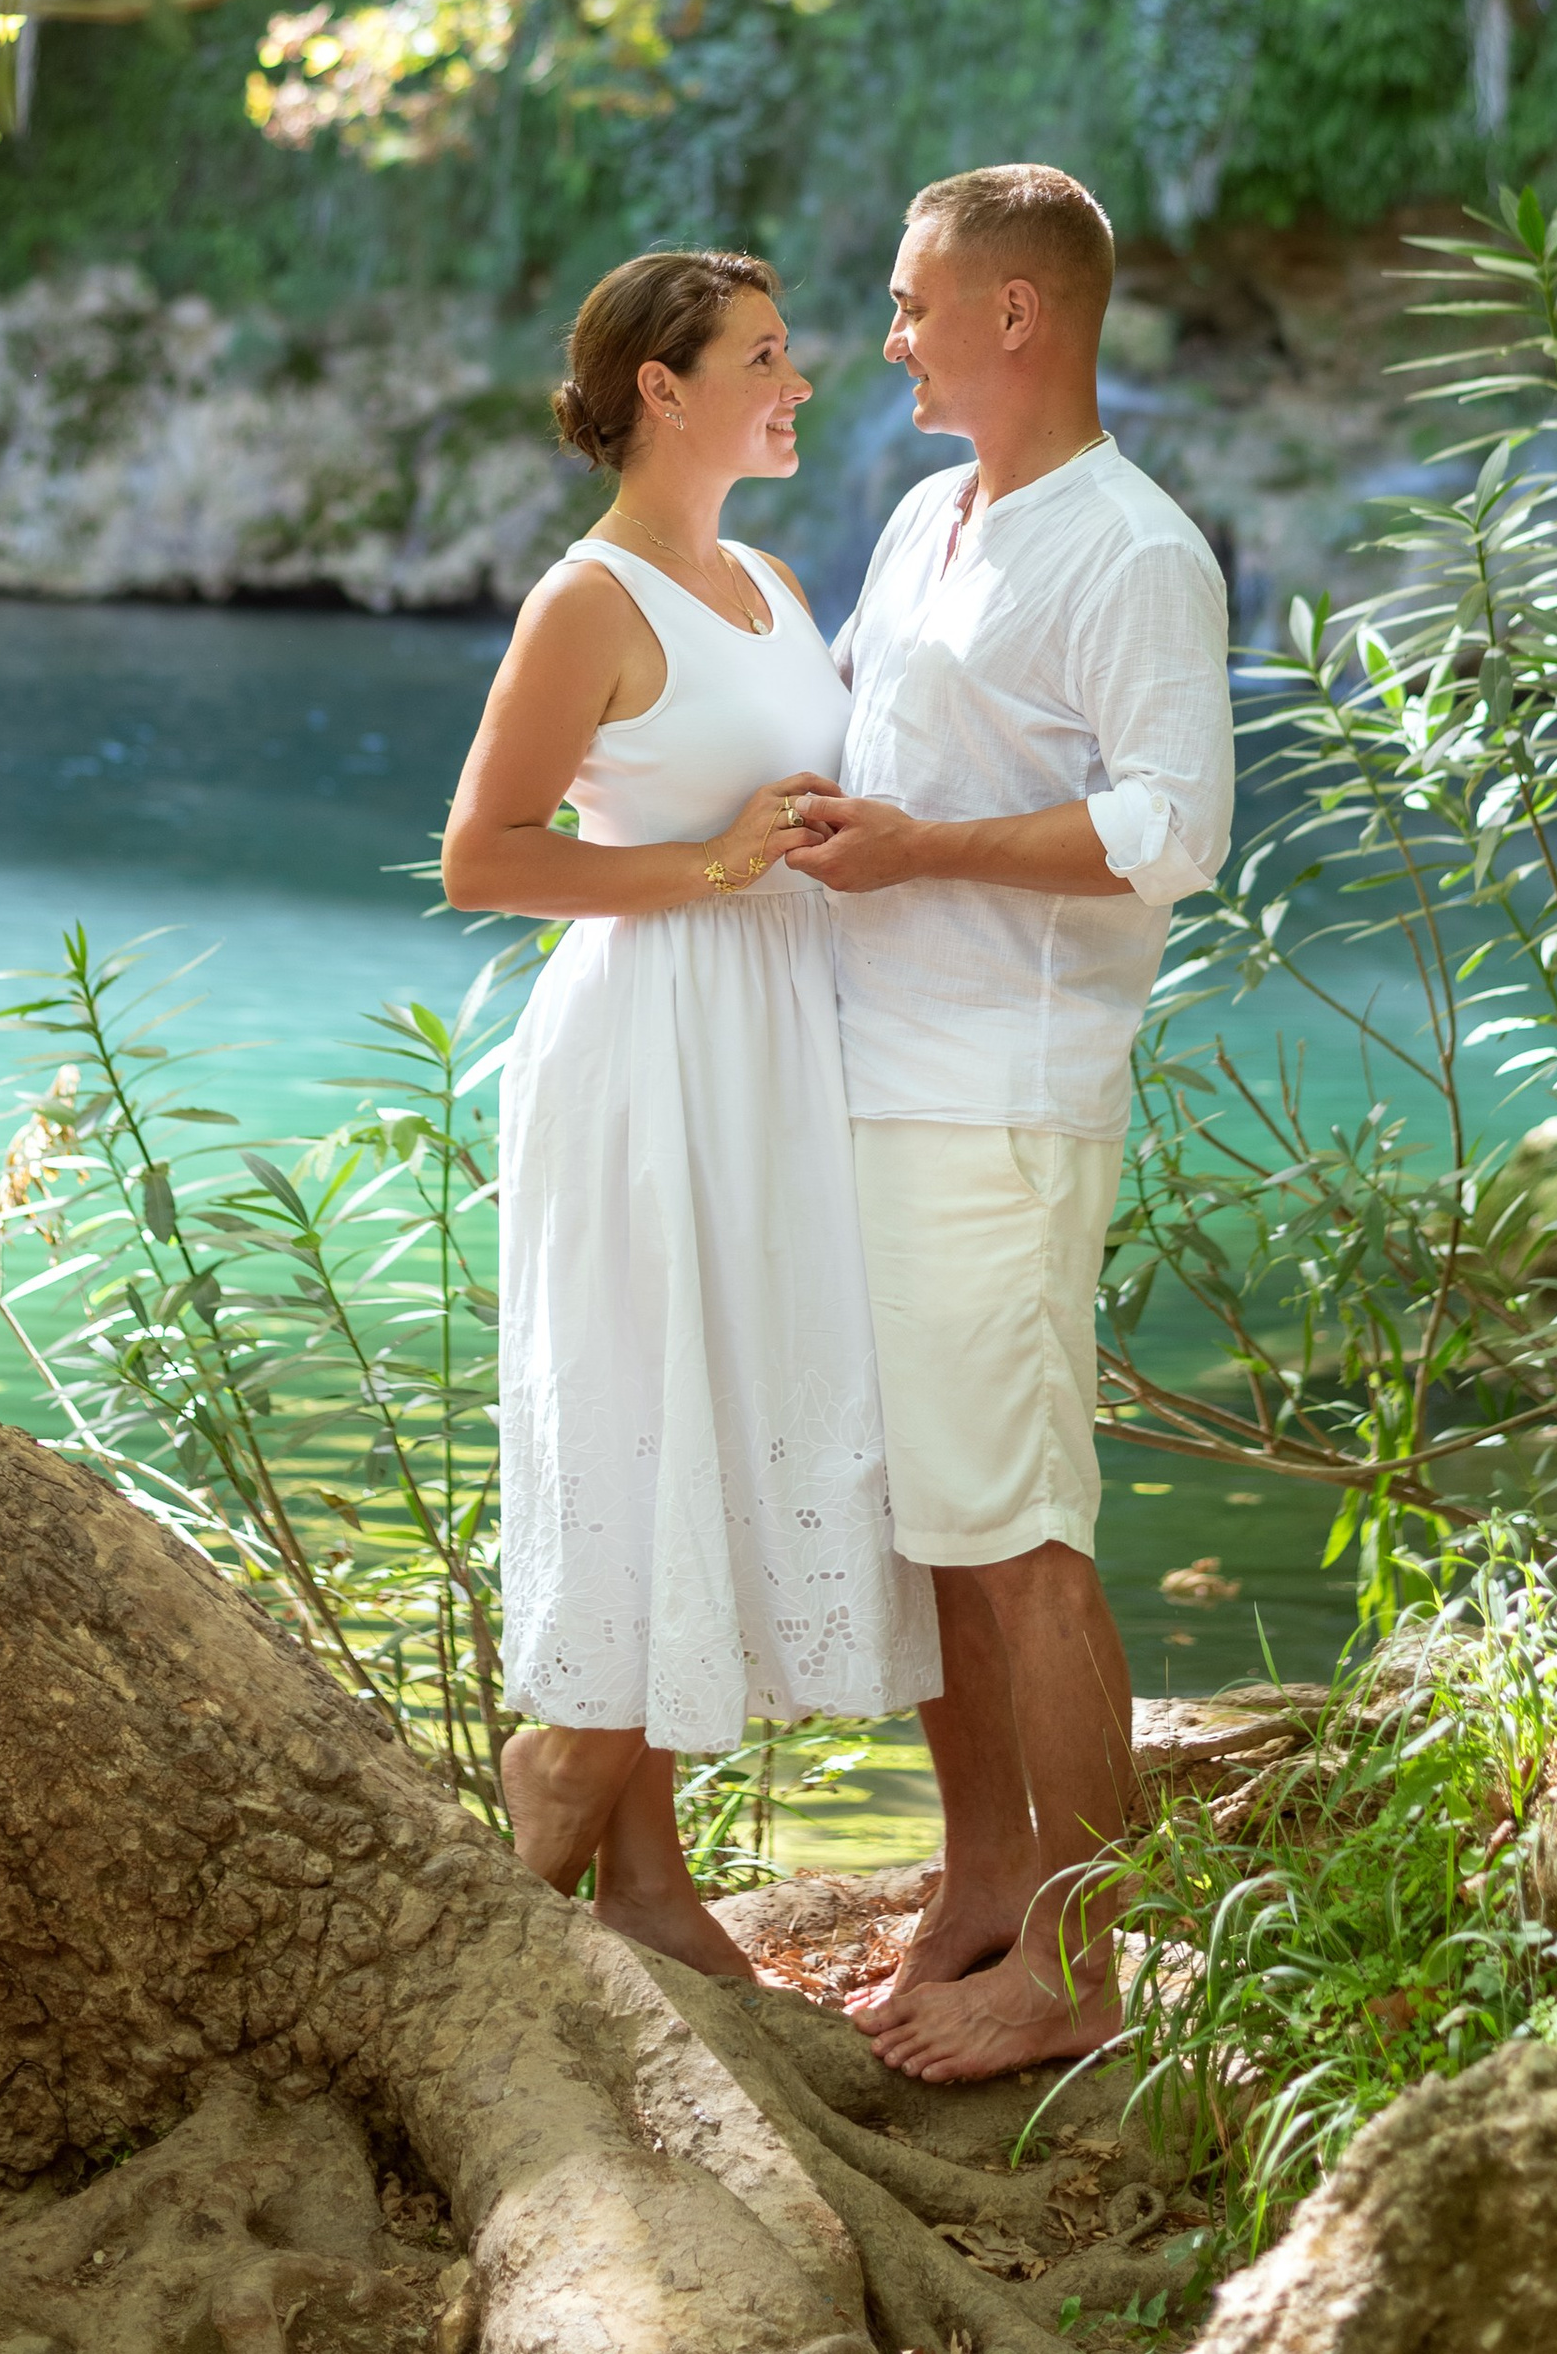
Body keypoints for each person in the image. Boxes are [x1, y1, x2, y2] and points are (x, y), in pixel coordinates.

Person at [788, 163, 1235, 2083]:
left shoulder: (1136, 553)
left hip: (999, 1103)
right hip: (865, 1079)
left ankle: (1088, 1960)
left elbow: (1171, 830)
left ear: (1018, 315)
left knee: (1021, 1530)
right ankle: (982, 1888)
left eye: (911, 300)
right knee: (928, 1533)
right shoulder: (918, 522)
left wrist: (929, 855)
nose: (887, 333)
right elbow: (850, 745)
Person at [442, 248, 938, 1977]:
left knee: (730, 1413)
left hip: (782, 1040)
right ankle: (563, 1795)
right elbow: (482, 855)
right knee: (645, 1404)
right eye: (766, 355)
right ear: (665, 387)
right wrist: (714, 862)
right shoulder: (586, 601)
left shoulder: (776, 582)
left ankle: (647, 1889)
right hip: (647, 1043)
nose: (801, 381)